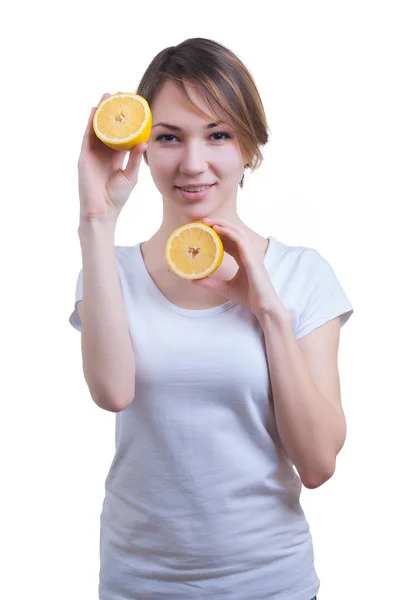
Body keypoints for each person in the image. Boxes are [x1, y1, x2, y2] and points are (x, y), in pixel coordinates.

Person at [69, 37, 353, 600]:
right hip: (136, 584)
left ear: (248, 145)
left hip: (270, 584)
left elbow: (319, 464)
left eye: (218, 134)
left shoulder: (302, 275)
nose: (193, 163)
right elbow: (112, 392)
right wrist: (96, 220)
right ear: (142, 147)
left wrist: (267, 307)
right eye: (169, 137)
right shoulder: (111, 272)